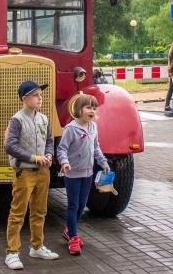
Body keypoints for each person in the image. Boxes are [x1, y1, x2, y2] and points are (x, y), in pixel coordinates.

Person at [3, 81, 59, 270]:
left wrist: (49, 155)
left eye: (40, 95)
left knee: (39, 210)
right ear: (24, 99)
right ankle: (12, 252)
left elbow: (49, 141)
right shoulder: (17, 120)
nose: (40, 98)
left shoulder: (44, 118)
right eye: (35, 95)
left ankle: (37, 246)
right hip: (24, 171)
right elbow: (10, 146)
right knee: (18, 212)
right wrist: (34, 157)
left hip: (43, 171)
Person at [57, 94, 110, 255]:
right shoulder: (71, 129)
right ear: (78, 110)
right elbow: (62, 149)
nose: (92, 111)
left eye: (94, 108)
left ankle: (69, 230)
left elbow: (96, 147)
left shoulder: (93, 127)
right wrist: (64, 162)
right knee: (73, 205)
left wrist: (103, 162)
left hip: (87, 172)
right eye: (88, 107)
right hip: (72, 174)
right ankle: (73, 237)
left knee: (82, 204)